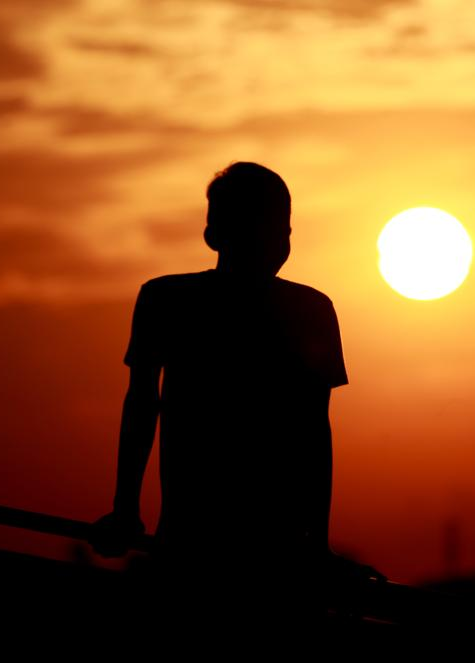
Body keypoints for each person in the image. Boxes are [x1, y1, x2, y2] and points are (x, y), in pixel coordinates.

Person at [89, 161, 350, 628]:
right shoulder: (305, 311)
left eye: (282, 230)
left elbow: (315, 433)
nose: (277, 242)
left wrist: (126, 511)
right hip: (234, 551)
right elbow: (315, 435)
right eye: (270, 228)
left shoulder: (168, 300)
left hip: (223, 550)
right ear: (214, 234)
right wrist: (316, 546)